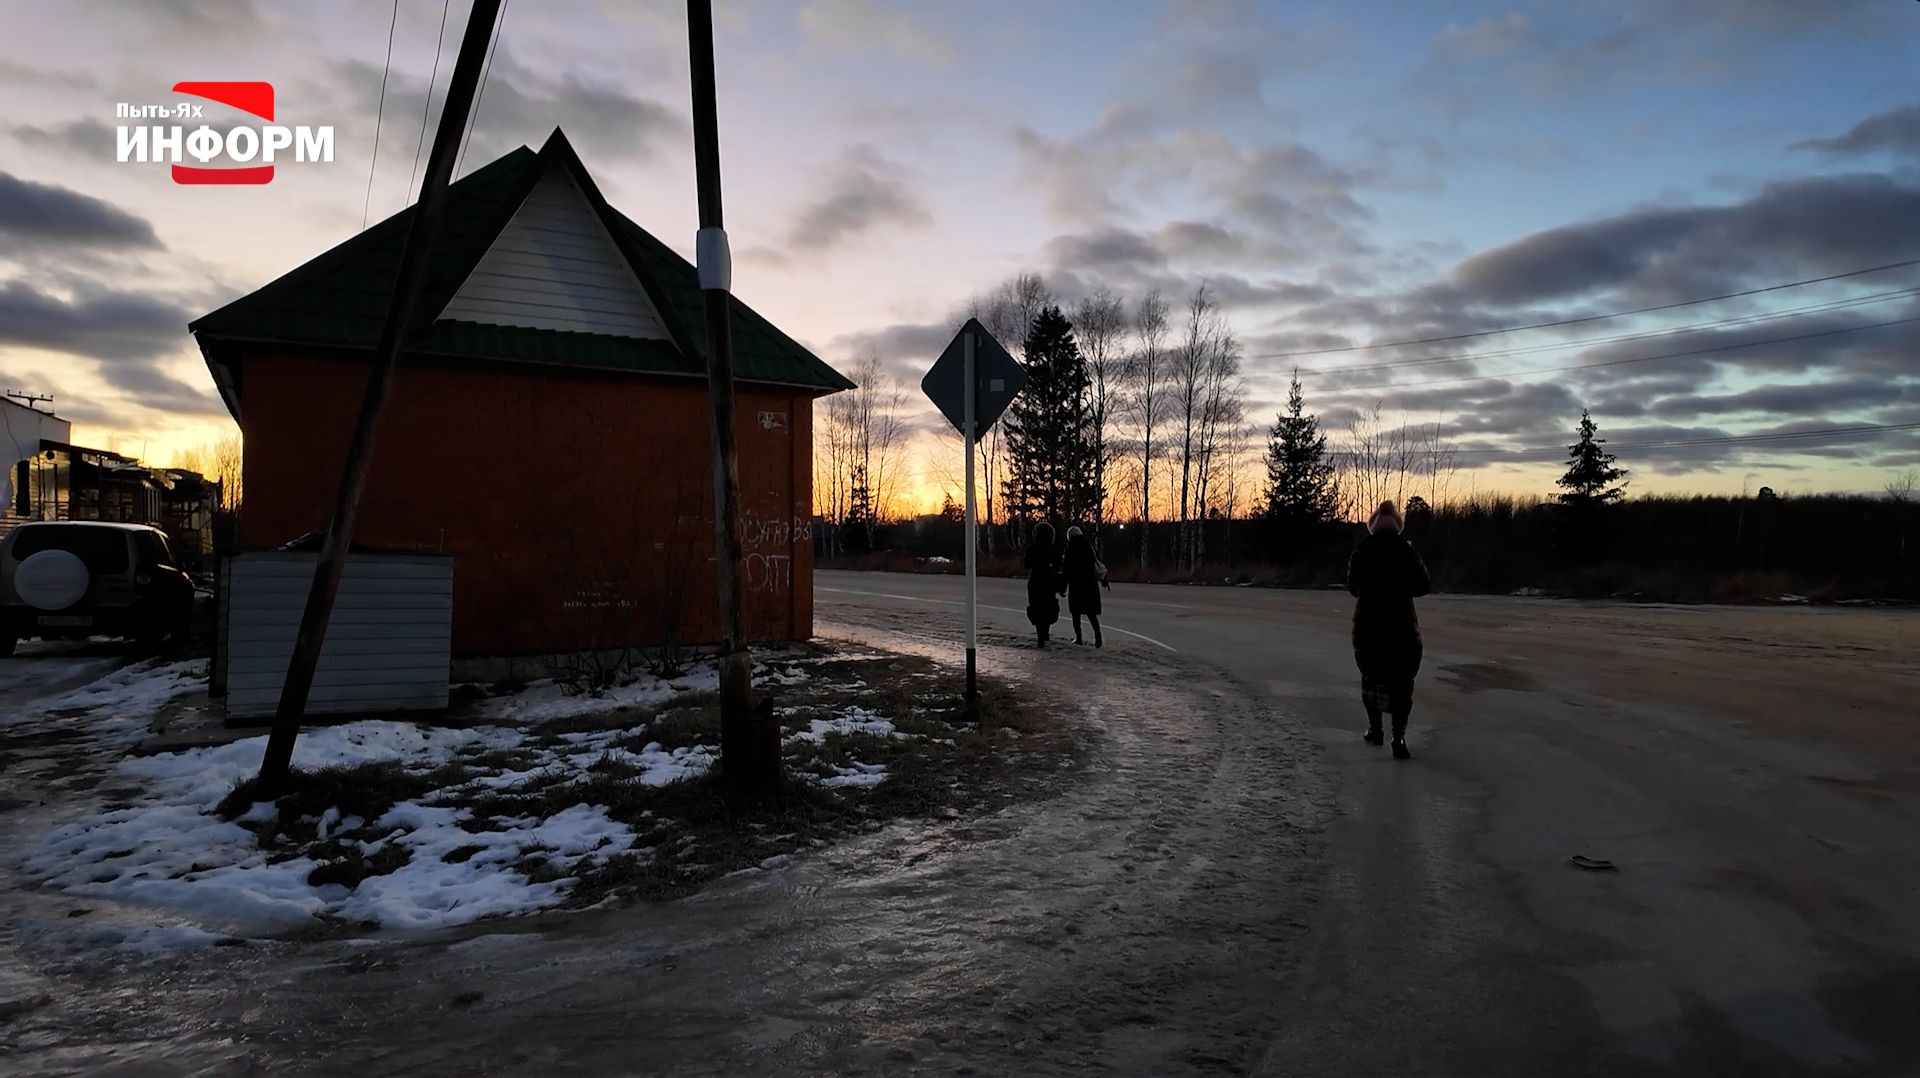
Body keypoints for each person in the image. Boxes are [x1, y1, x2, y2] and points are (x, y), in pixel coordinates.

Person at [1347, 500, 1431, 759]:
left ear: (1372, 526)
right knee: (1403, 681)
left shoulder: (1361, 551)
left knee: (1370, 677)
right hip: (1401, 624)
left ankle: (1376, 730)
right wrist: (1402, 591)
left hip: (1369, 624)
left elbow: (1352, 587)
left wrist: (1369, 591)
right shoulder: (1407, 552)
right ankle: (1399, 737)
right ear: (1398, 526)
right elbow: (1424, 584)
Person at [1060, 525, 1110, 647]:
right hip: (1090, 584)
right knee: (1091, 613)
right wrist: (1103, 580)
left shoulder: (1070, 549)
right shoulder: (1089, 546)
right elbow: (1097, 564)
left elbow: (1066, 570)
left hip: (1076, 585)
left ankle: (1079, 638)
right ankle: (1098, 637)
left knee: (1075, 613)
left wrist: (1062, 587)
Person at [1025, 522, 1062, 647]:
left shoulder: (1032, 547)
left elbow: (1027, 563)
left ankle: (1040, 635)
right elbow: (1058, 565)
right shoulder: (1052, 549)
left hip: (1035, 580)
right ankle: (1045, 633)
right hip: (1049, 580)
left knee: (1036, 606)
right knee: (1048, 606)